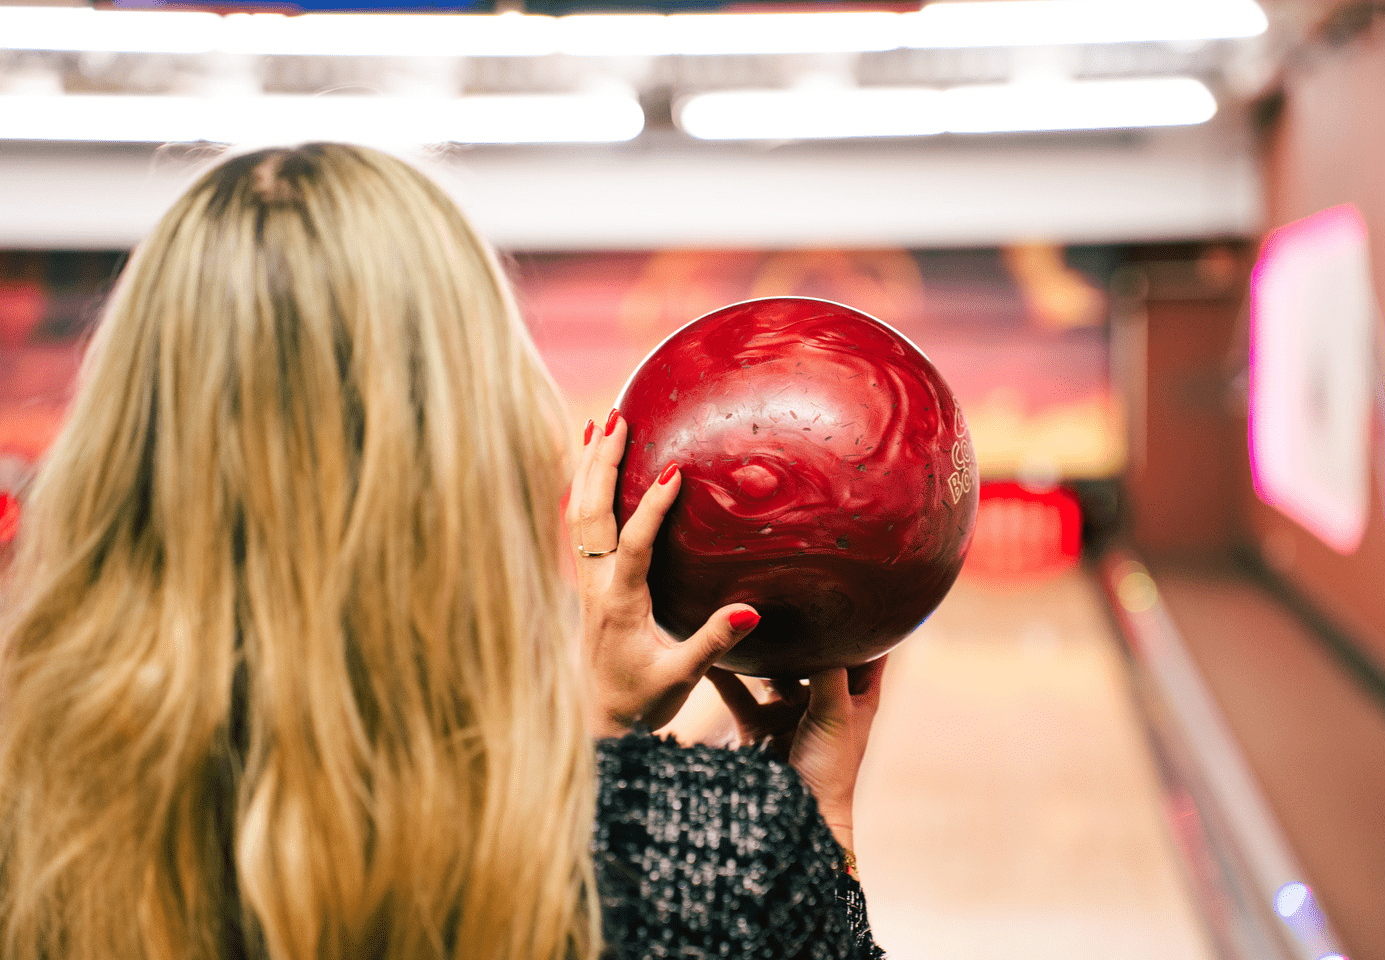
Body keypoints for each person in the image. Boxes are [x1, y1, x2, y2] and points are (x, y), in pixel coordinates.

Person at [0, 142, 886, 960]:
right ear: (479, 449)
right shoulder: (713, 861)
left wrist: (602, 740)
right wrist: (809, 833)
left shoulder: (29, 835)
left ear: (120, 460)